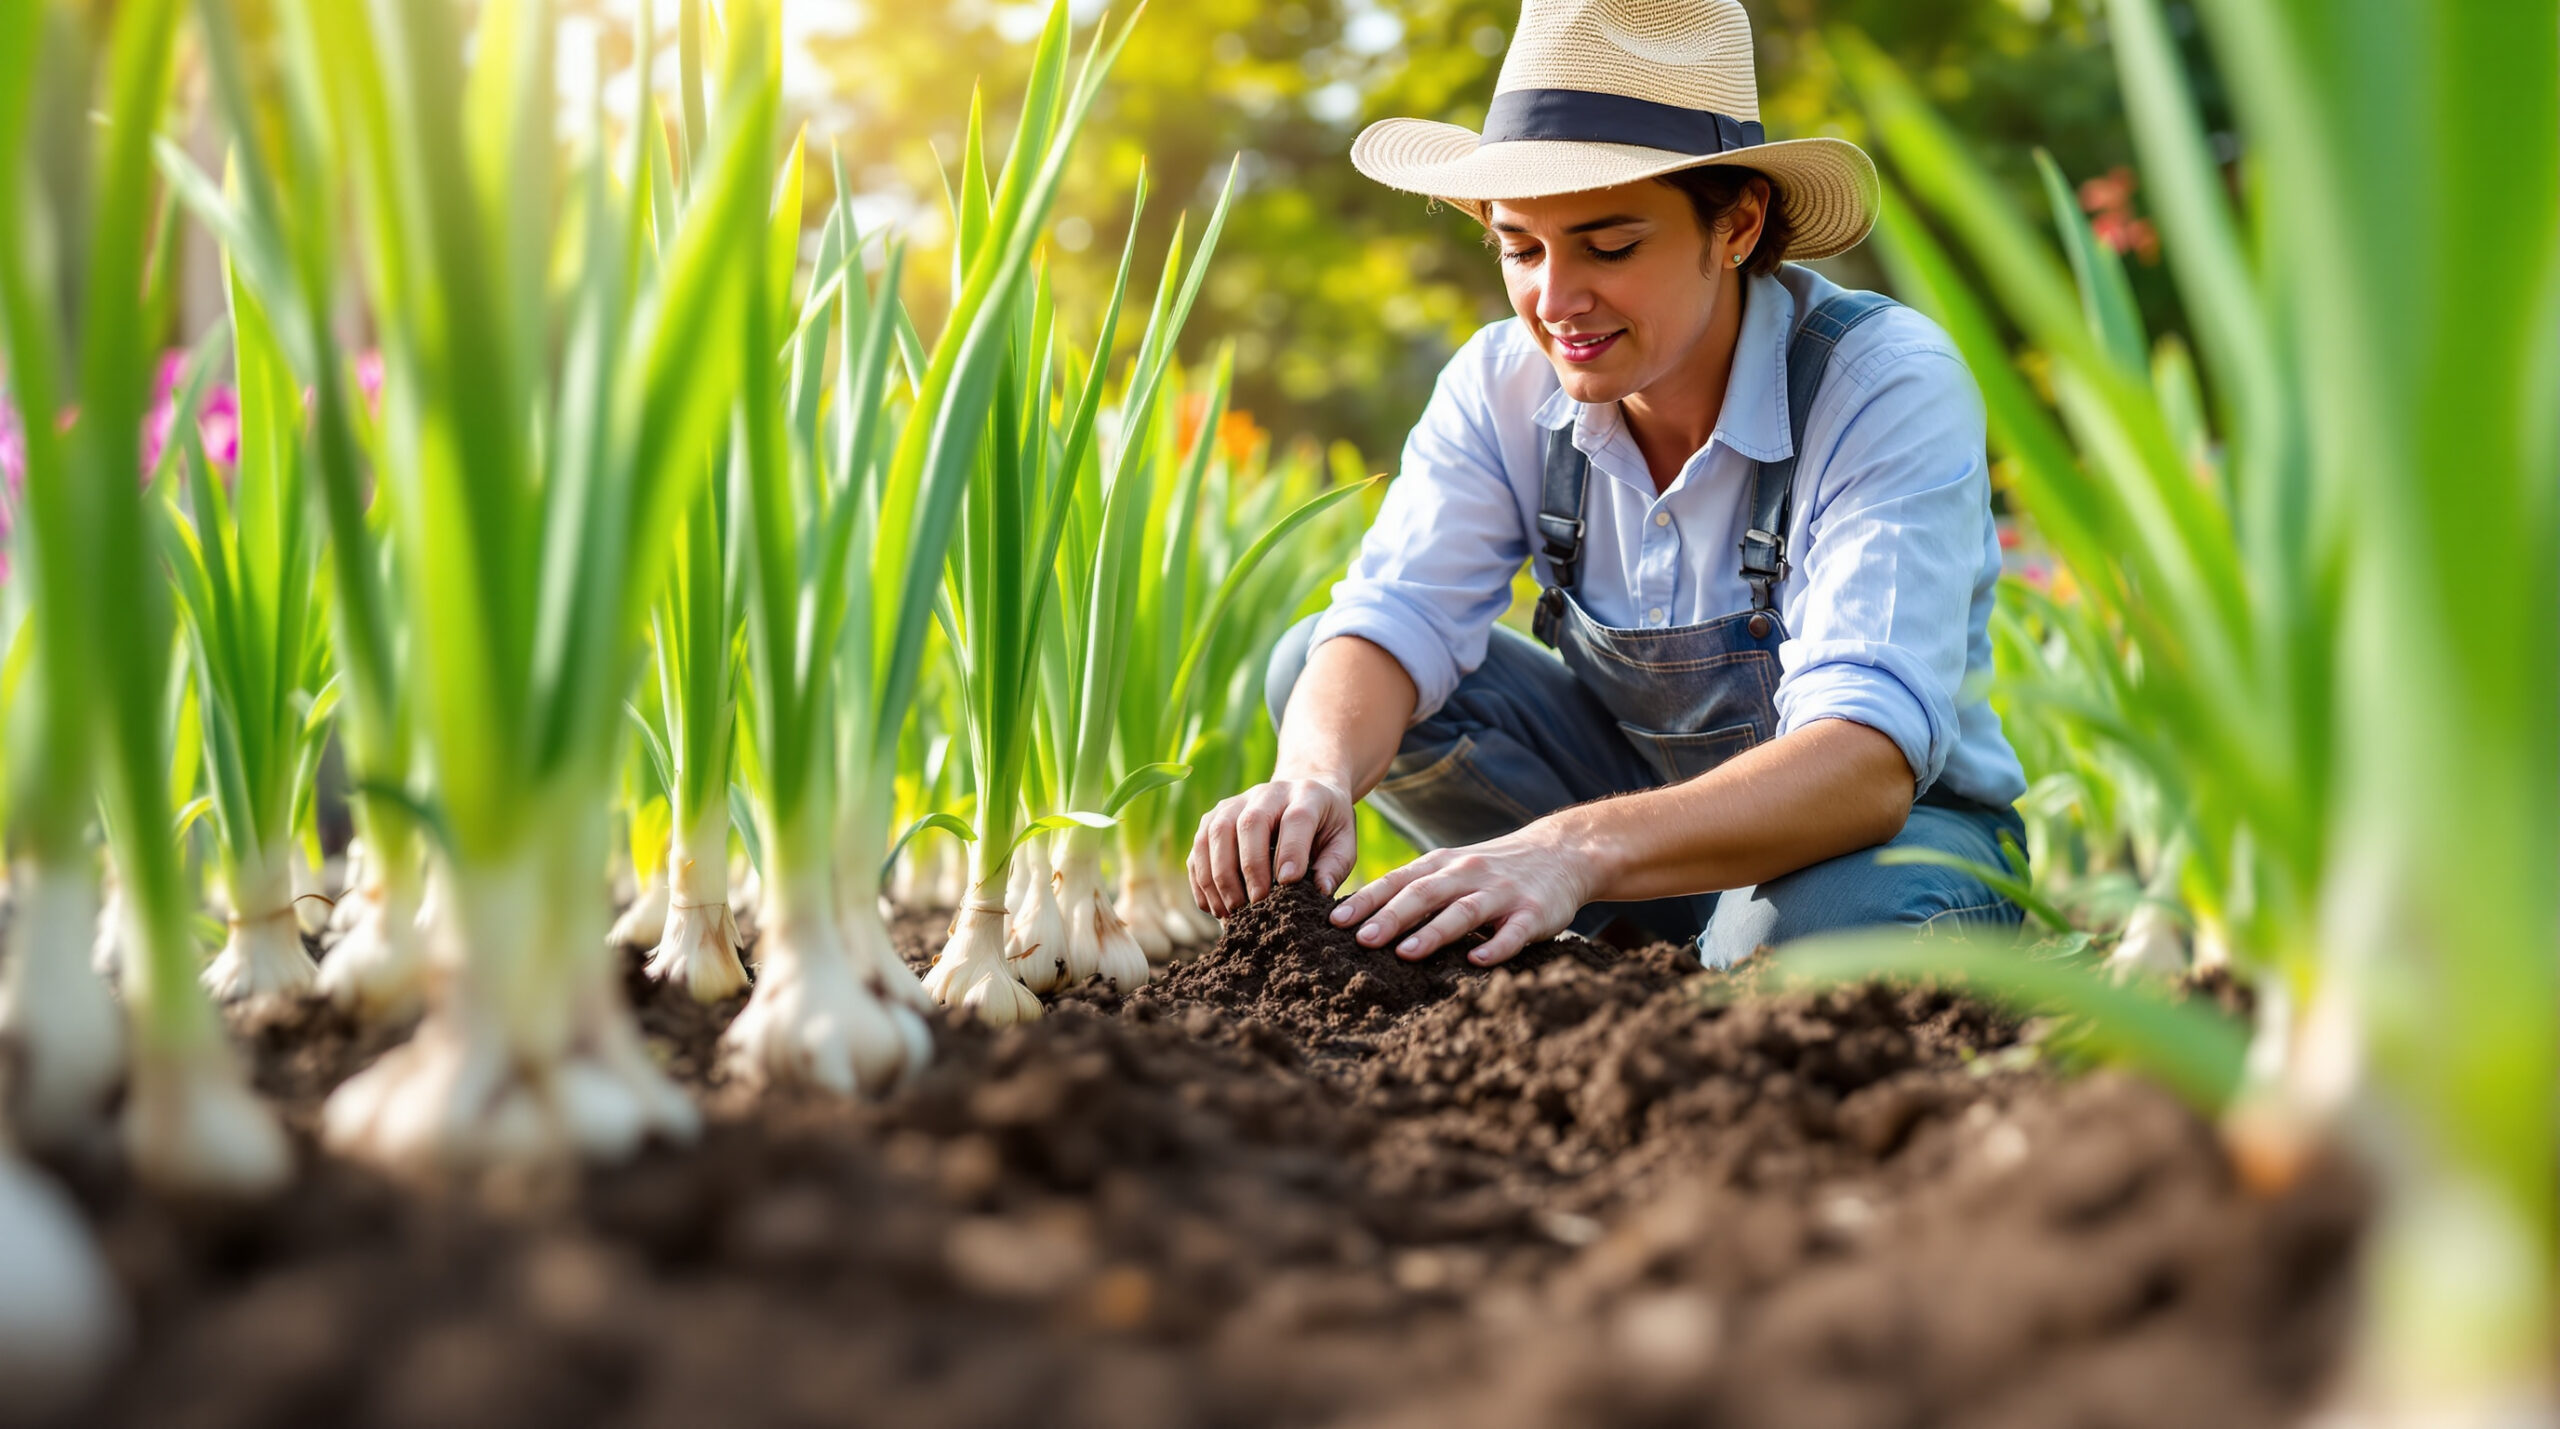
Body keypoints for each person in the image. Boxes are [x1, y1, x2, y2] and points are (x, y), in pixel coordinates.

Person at [1186, 0, 2029, 970]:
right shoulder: (1498, 383)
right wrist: (1311, 776)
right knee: (1319, 671)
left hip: (1874, 844)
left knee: (1821, 945)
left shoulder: (1874, 382)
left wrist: (1567, 847)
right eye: (1520, 247)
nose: (1554, 299)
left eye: (1608, 245)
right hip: (1633, 852)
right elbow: (1396, 610)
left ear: (1738, 224)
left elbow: (1867, 759)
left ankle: (1707, 943)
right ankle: (1642, 944)